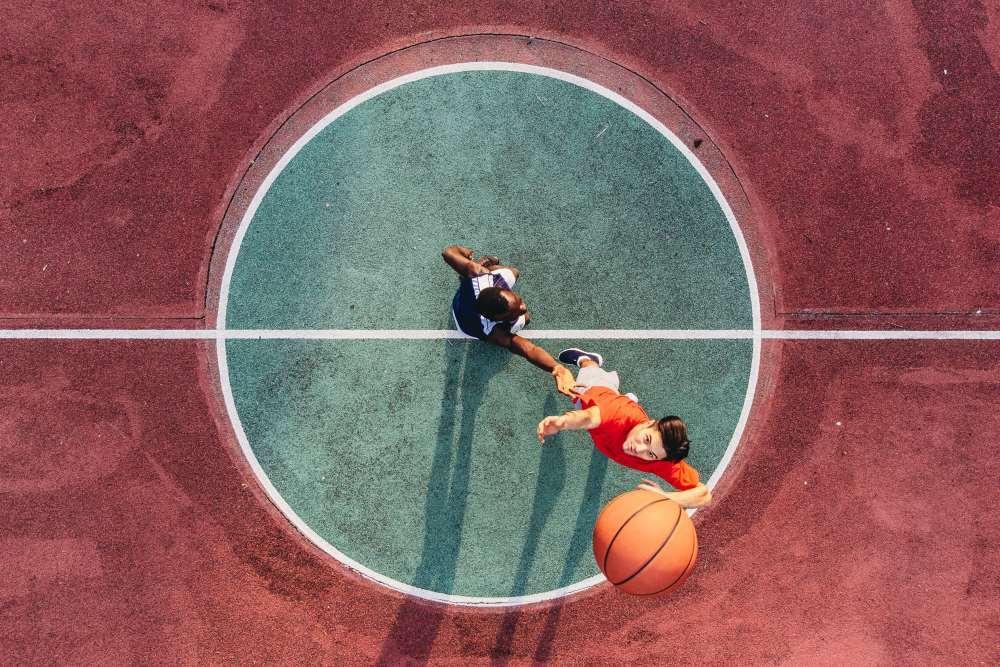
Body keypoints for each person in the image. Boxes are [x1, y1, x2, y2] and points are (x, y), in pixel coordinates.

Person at [535, 348, 712, 508]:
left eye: (650, 454)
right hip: (598, 393)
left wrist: (667, 498)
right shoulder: (619, 415)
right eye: (647, 439)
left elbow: (704, 495)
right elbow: (589, 418)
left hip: (613, 426)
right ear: (649, 422)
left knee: (613, 407)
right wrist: (563, 422)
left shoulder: (661, 459)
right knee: (580, 392)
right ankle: (587, 359)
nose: (639, 449)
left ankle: (626, 397)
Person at [442, 245, 578, 398]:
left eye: (518, 301)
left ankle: (471, 273)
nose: (523, 307)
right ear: (495, 320)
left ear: (501, 289)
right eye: (515, 311)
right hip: (465, 322)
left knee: (513, 272)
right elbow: (529, 349)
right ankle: (465, 279)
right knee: (524, 320)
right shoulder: (491, 331)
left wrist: (464, 252)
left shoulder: (478, 273)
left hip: (474, 290)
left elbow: (448, 252)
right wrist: (556, 367)